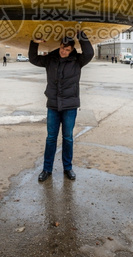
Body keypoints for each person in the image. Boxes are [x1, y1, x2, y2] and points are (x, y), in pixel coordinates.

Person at [29, 30, 94, 182]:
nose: (63, 51)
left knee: (68, 138)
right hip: (53, 104)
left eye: (67, 49)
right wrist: (34, 43)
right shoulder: (51, 59)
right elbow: (33, 59)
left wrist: (81, 35)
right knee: (51, 138)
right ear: (59, 46)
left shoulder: (77, 60)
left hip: (70, 106)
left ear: (71, 50)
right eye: (62, 48)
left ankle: (68, 168)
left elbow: (89, 53)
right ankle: (47, 169)